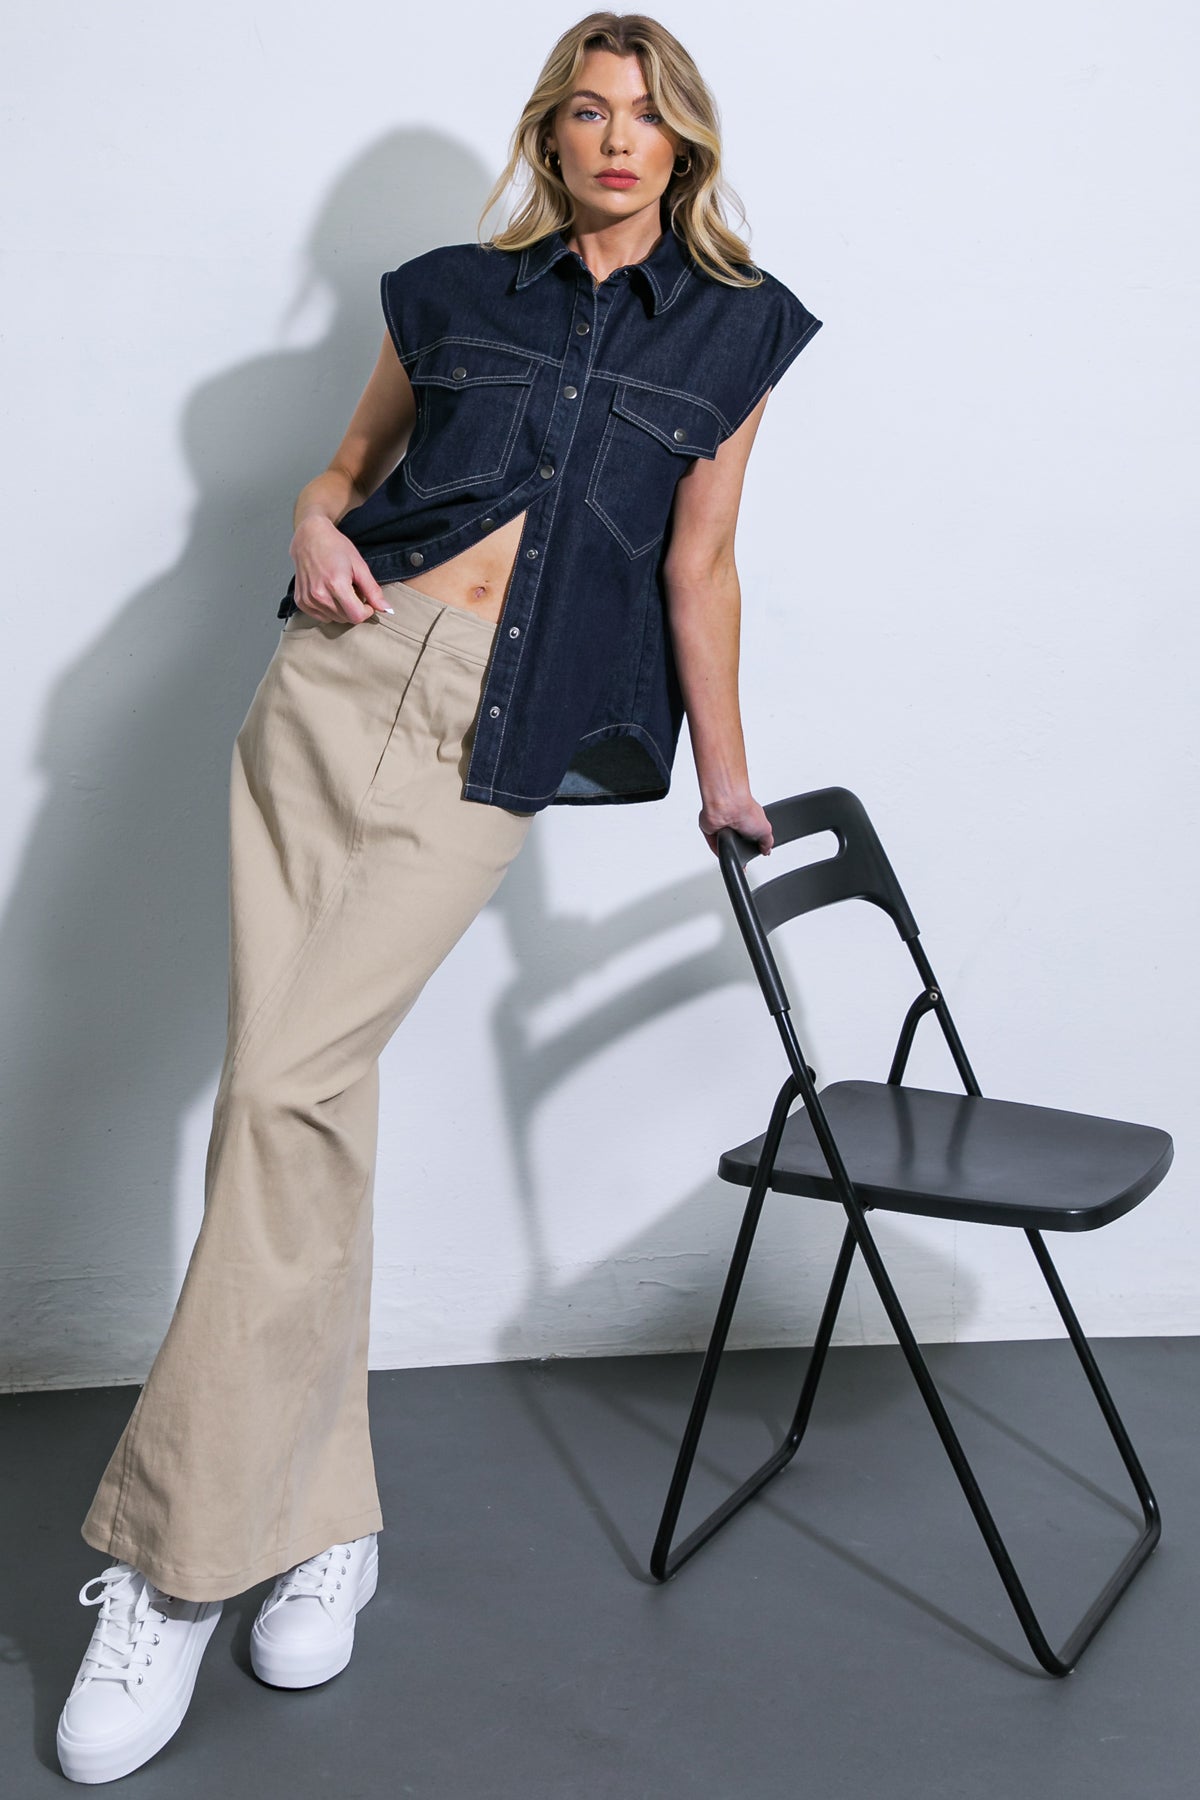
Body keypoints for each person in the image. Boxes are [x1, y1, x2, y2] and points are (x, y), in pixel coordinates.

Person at [56, 9, 823, 1784]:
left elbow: (700, 565)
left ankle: (170, 1565)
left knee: (274, 1096)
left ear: (684, 143)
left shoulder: (737, 334)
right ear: (548, 137)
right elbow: (343, 472)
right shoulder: (448, 294)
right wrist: (317, 522)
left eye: (648, 116)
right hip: (324, 696)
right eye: (586, 111)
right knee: (304, 1114)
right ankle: (326, 1525)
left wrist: (724, 764)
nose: (617, 139)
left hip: (499, 731)